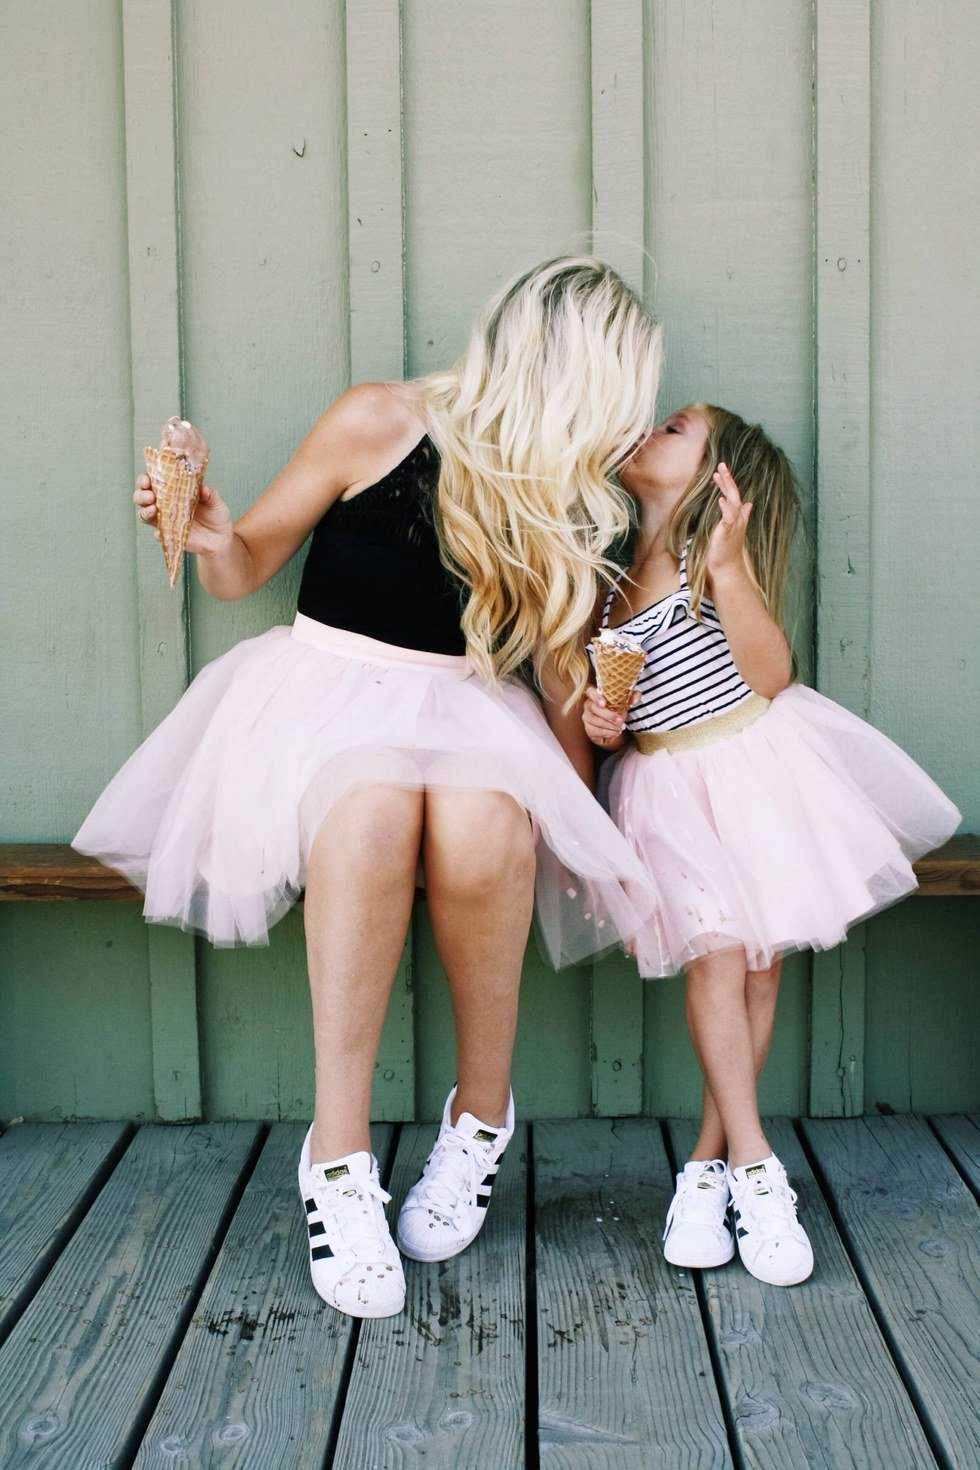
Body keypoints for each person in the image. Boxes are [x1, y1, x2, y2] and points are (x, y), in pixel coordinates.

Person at [72, 256, 665, 1319]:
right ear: (573, 376)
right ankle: (337, 1159)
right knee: (369, 811)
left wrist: (586, 805)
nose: (632, 418)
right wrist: (209, 531)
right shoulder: (376, 421)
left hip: (470, 713)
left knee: (485, 827)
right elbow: (244, 565)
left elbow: (560, 683)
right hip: (330, 702)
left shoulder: (577, 501)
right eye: (624, 388)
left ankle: (479, 1120)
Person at [582, 403, 961, 1286]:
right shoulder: (609, 576)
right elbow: (617, 714)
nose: (649, 430)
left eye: (675, 428)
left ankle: (705, 1171)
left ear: (719, 476)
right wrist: (604, 722)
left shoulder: (705, 561)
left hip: (749, 775)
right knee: (716, 955)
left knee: (757, 970)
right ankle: (756, 1165)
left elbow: (769, 672)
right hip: (664, 792)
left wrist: (727, 564)